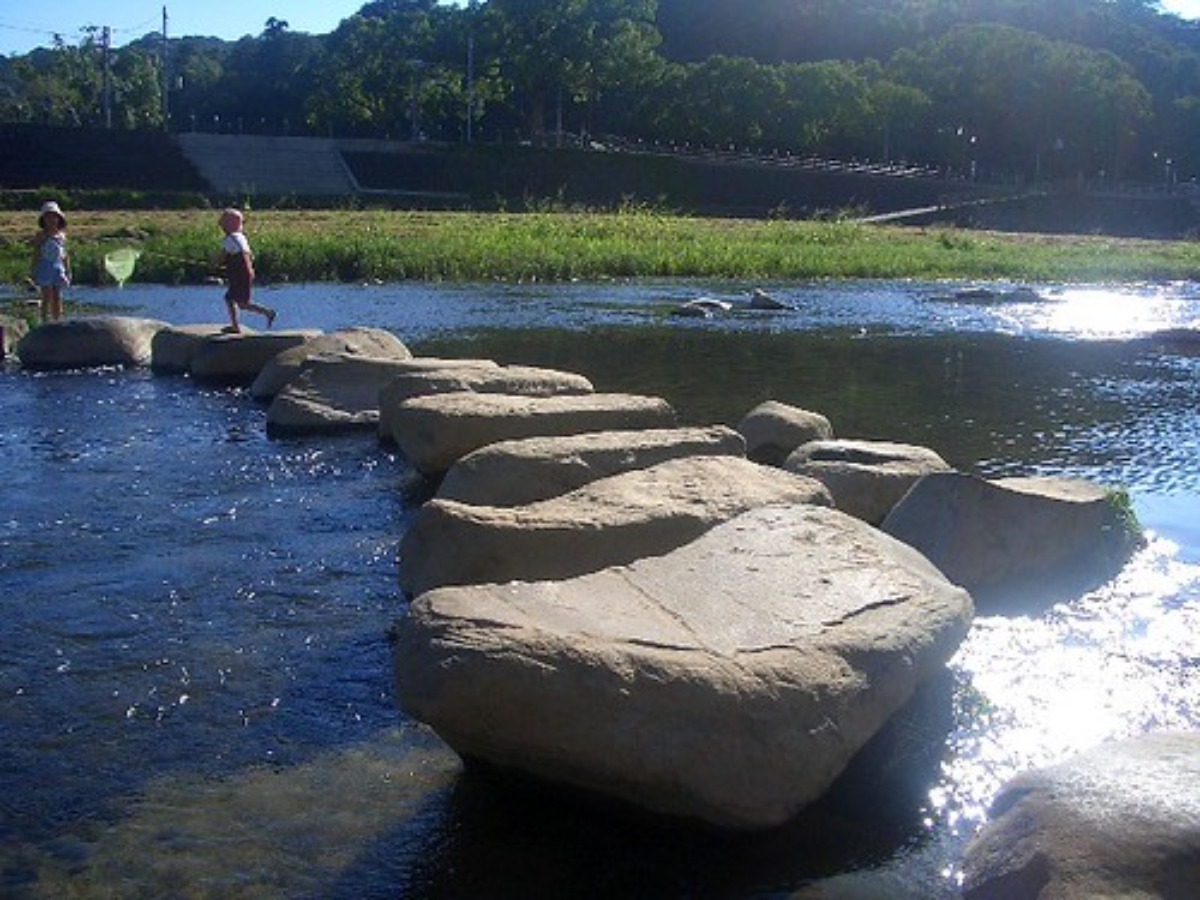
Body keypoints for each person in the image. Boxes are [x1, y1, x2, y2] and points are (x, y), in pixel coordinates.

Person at [218, 207, 275, 333]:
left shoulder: (229, 239)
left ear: (228, 225)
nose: (221, 227)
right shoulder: (241, 237)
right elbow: (250, 255)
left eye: (223, 224)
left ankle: (266, 313)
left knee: (240, 302)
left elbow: (221, 257)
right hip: (246, 273)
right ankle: (236, 325)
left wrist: (214, 264)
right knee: (234, 300)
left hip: (240, 275)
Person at [32, 200, 71, 323]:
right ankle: (44, 320)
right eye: (48, 217)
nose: (51, 220)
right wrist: (33, 268)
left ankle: (57, 320)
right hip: (45, 267)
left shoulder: (61, 236)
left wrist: (68, 269)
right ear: (43, 220)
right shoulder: (41, 236)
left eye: (54, 217)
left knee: (57, 295)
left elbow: (64, 255)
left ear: (59, 219)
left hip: (58, 267)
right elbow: (37, 253)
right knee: (46, 295)